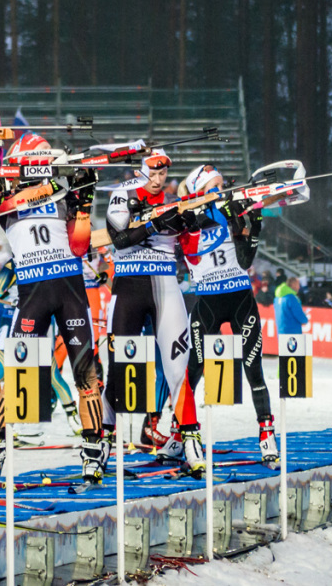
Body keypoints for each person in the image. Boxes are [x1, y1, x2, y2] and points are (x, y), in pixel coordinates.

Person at [0, 133, 103, 481]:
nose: (45, 163)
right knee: (16, 376)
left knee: (85, 374)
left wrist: (83, 202)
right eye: (38, 157)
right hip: (32, 297)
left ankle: (92, 451)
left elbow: (79, 245)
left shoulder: (62, 194)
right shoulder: (7, 194)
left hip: (70, 292)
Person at [102, 149, 204, 474]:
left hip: (165, 285)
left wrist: (190, 228)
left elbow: (194, 257)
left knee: (178, 369)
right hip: (129, 286)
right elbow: (119, 239)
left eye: (164, 174)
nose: (160, 179)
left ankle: (190, 439)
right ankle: (103, 443)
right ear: (144, 170)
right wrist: (156, 223)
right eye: (155, 173)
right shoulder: (124, 193)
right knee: (118, 369)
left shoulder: (175, 201)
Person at [177, 165, 278, 464]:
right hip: (207, 301)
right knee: (192, 370)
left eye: (222, 184)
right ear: (199, 190)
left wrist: (251, 222)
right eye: (214, 185)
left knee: (253, 367)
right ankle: (178, 431)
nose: (221, 189)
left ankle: (266, 432)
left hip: (240, 299)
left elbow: (245, 259)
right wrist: (207, 210)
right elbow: (192, 246)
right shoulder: (188, 218)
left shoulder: (227, 212)